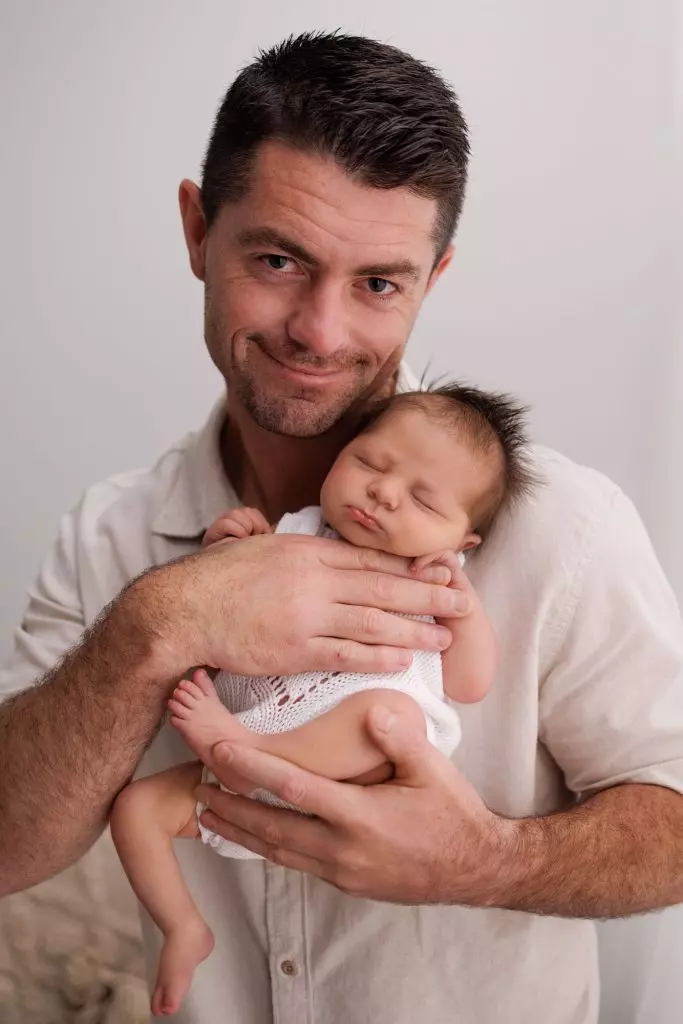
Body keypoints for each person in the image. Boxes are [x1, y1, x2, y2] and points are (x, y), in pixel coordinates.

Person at [1, 30, 683, 1024]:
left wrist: (487, 861)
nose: (320, 332)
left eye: (377, 283)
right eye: (278, 259)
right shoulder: (111, 532)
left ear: (431, 278)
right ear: (197, 231)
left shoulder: (565, 529)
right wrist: (154, 626)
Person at [110, 383, 533, 1016]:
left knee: (392, 717)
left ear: (461, 540)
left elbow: (469, 685)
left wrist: (463, 612)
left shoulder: (438, 582)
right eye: (370, 462)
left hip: (349, 766)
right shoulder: (292, 533)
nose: (383, 493)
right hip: (243, 769)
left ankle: (246, 750)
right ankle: (184, 927)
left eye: (422, 499)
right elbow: (218, 623)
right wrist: (224, 554)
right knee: (136, 808)